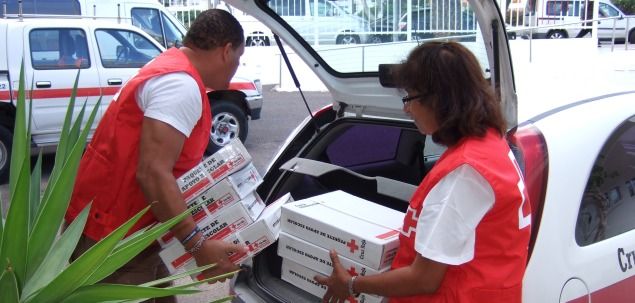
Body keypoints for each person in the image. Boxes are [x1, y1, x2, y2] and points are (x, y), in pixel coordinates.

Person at [315, 42, 532, 303]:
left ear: (440, 100)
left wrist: (350, 284)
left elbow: (424, 279)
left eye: (410, 97)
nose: (406, 108)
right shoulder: (489, 145)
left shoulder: (465, 173)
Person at [64, 9, 246, 302]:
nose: (237, 67)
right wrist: (198, 246)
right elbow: (152, 173)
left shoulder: (167, 68)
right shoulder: (180, 84)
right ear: (226, 51)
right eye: (239, 58)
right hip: (117, 239)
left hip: (129, 230)